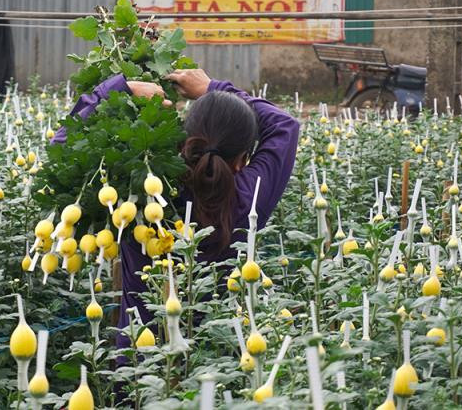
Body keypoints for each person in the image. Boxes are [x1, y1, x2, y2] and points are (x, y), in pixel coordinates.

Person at [51, 69, 299, 348]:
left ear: (184, 138)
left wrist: (120, 88)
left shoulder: (140, 191)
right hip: (218, 357)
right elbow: (284, 125)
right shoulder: (251, 196)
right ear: (242, 160)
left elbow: (62, 151)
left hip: (140, 363)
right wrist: (214, 88)